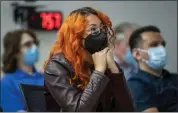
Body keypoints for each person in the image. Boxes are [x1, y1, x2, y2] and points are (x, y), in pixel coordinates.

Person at [43, 7, 134, 112]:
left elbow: (128, 110)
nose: (101, 33)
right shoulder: (57, 66)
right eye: (93, 29)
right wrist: (99, 71)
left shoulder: (104, 62)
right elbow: (79, 110)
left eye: (102, 28)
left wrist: (114, 70)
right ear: (75, 36)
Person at [127, 25, 178, 112]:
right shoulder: (135, 84)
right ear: (137, 54)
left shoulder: (174, 78)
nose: (161, 49)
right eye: (154, 45)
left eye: (163, 44)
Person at [1, 29, 44, 112]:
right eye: (28, 44)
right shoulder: (7, 82)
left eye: (35, 43)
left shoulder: (46, 78)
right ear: (15, 52)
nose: (34, 47)